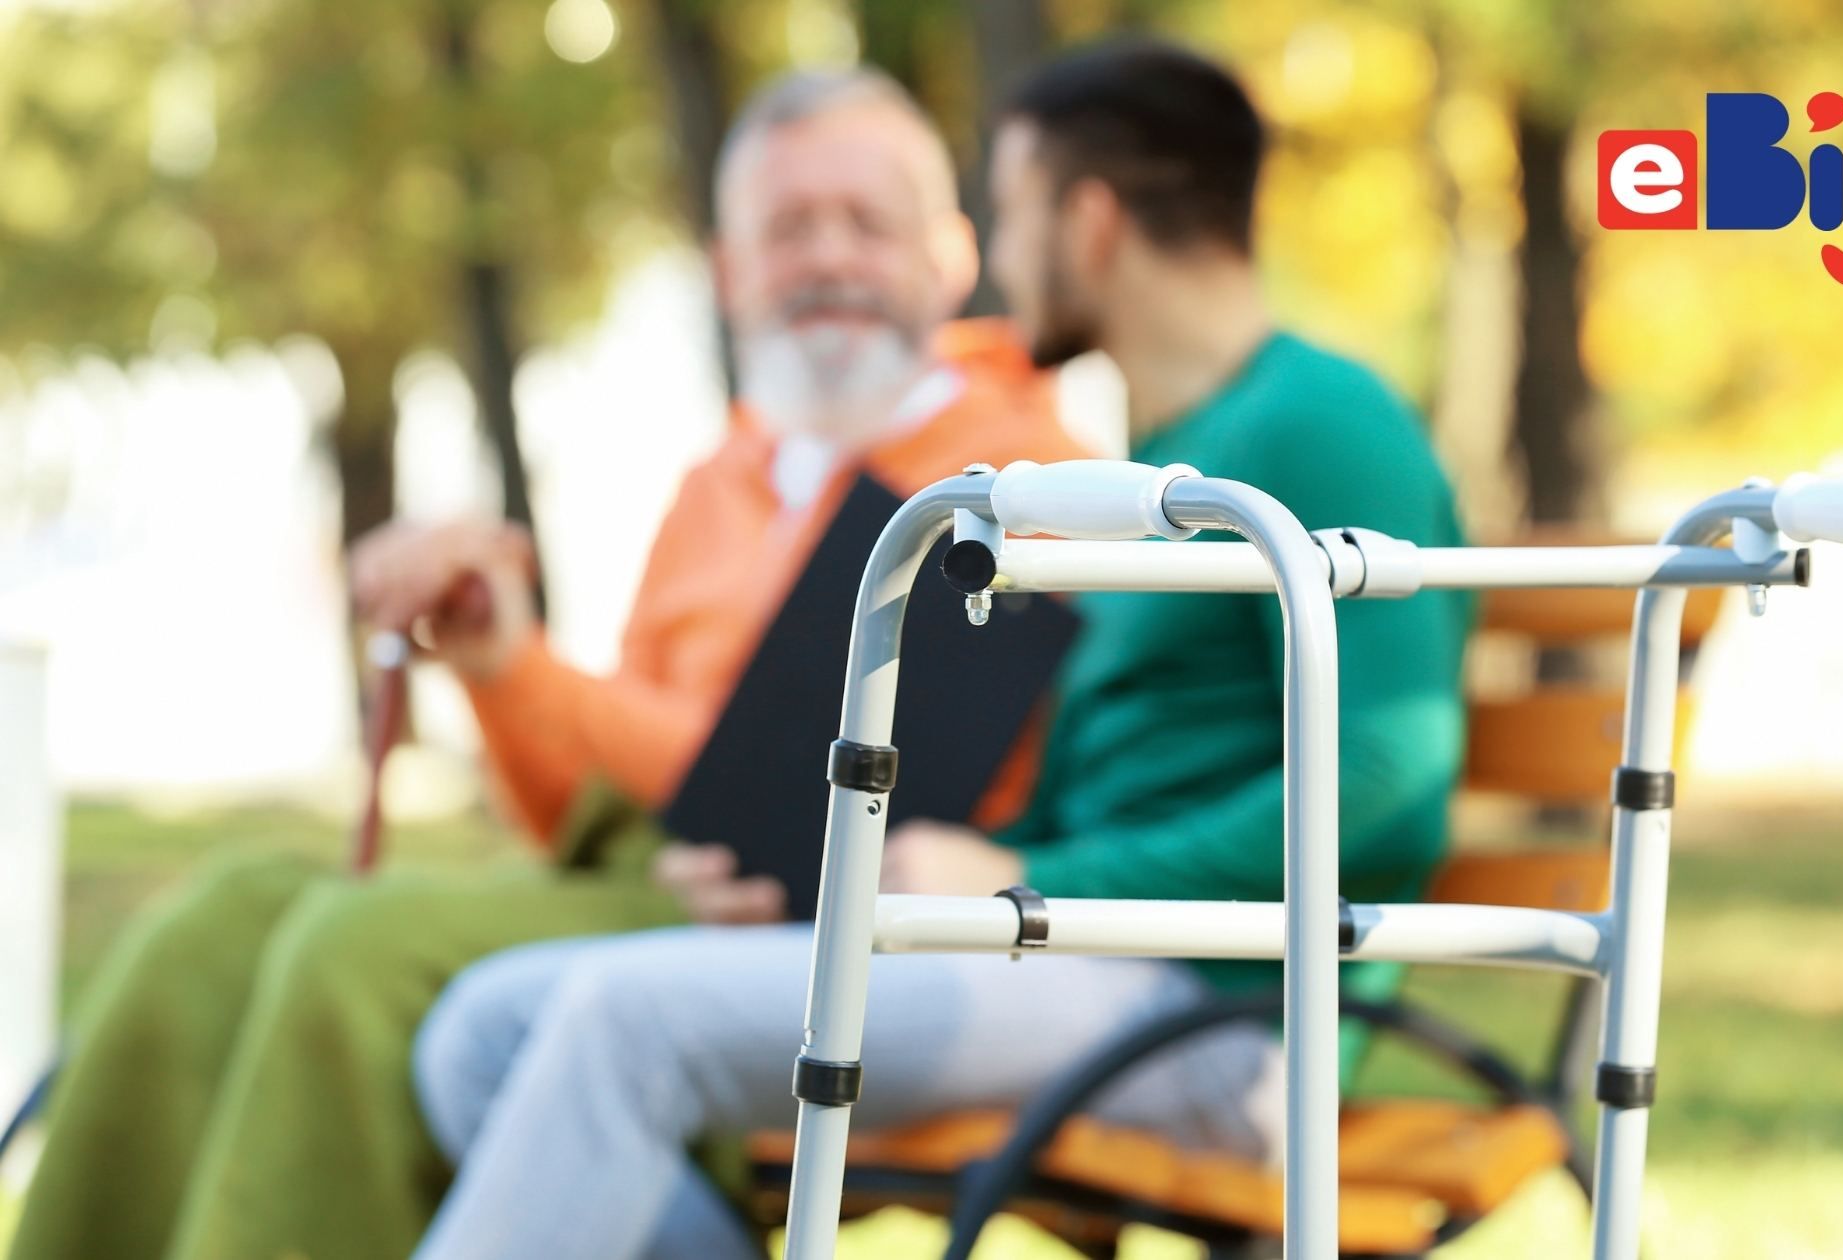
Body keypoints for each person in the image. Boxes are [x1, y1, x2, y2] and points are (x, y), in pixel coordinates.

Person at [405, 37, 1472, 1260]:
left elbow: (1388, 782)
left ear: (1089, 222)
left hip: (1217, 1020)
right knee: (478, 1030)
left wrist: (1030, 880)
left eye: (1009, 214)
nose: (998, 266)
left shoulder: (1318, 421)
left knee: (614, 1021)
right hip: (1078, 965)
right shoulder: (1171, 446)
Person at [5, 67, 1086, 1260]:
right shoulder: (723, 475)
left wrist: (535, 674)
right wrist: (496, 673)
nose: (827, 257)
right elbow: (575, 808)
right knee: (220, 913)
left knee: (351, 955)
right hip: (651, 874)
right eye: (787, 229)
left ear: (946, 256)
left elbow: (774, 779)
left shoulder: (1009, 476)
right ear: (728, 271)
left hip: (793, 907)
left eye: (865, 223)